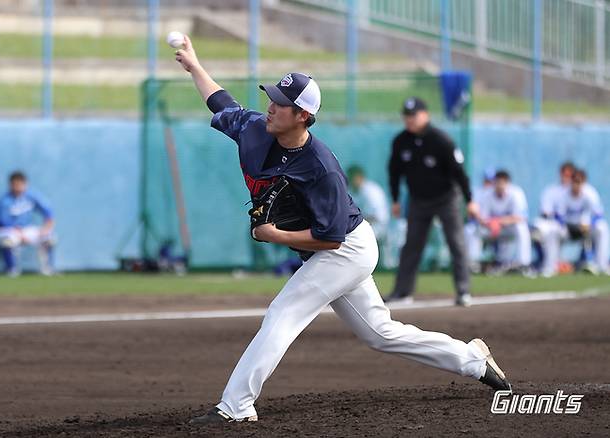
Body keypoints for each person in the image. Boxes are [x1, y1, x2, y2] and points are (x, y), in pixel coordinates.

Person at [173, 35, 510, 425]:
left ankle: (235, 407)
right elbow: (221, 102)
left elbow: (331, 238)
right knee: (380, 333)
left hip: (346, 248)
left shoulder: (320, 167)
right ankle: (471, 360)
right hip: (327, 250)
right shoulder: (253, 128)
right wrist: (196, 66)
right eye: (271, 98)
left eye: (281, 104)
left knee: (284, 312)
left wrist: (276, 235)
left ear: (302, 115)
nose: (271, 107)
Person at [385, 97, 477, 307]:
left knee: (456, 243)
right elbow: (394, 172)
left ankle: (463, 291)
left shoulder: (441, 140)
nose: (410, 119)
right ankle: (402, 292)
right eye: (407, 116)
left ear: (425, 115)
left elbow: (459, 173)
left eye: (414, 115)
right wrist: (396, 199)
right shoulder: (401, 142)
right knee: (411, 246)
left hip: (446, 199)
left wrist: (470, 200)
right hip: (418, 200)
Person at [0, 171, 55, 276]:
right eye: (14, 184)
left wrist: (47, 227)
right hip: (8, 231)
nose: (17, 187)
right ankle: (11, 269)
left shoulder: (31, 196)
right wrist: (20, 234)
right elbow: (3, 223)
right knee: (7, 240)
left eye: (20, 184)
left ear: (25, 184)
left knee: (49, 237)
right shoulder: (4, 200)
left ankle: (48, 269)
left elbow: (48, 212)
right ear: (10, 185)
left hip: (26, 229)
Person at [554, 169, 609, 275]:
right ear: (571, 181)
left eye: (580, 181)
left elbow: (598, 214)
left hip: (586, 227)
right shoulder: (564, 194)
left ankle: (601, 265)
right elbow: (558, 216)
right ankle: (551, 266)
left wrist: (590, 225)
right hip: (568, 228)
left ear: (584, 182)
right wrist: (569, 226)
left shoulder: (590, 193)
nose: (577, 184)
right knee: (554, 231)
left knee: (602, 228)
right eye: (574, 181)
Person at [477, 170, 532, 273]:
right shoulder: (487, 194)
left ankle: (524, 264)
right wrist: (491, 223)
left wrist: (499, 221)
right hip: (492, 229)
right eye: (497, 182)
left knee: (521, 227)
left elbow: (521, 217)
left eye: (502, 183)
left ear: (508, 183)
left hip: (510, 228)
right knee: (471, 231)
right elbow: (482, 218)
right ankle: (474, 263)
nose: (499, 186)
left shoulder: (516, 193)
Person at [533, 162, 575, 276]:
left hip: (572, 227)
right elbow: (545, 211)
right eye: (564, 174)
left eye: (569, 175)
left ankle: (550, 266)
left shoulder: (578, 191)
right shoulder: (551, 190)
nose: (566, 178)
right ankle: (546, 265)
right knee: (542, 229)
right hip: (554, 224)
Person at [347, 165, 390, 244]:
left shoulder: (372, 192)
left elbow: (376, 217)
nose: (349, 181)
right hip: (360, 233)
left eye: (351, 178)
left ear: (359, 177)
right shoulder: (351, 191)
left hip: (377, 233)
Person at [464, 168, 496, 273]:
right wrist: (480, 219)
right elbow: (470, 211)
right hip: (479, 225)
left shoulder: (496, 193)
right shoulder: (477, 192)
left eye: (491, 180)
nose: (489, 183)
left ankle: (508, 263)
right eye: (487, 180)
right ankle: (473, 263)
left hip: (495, 226)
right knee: (470, 231)